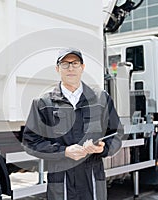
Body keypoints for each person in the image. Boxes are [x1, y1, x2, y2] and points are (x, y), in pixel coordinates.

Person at [22, 47, 123, 200]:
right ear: (57, 68)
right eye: (65, 63)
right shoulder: (43, 103)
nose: (70, 68)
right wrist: (64, 151)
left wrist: (102, 148)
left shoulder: (101, 99)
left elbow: (116, 133)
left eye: (75, 63)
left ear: (82, 67)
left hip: (92, 178)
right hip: (61, 181)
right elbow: (30, 142)